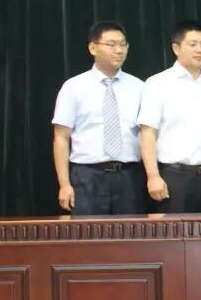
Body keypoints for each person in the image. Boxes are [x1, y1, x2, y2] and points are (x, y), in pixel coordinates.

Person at [138, 20, 201, 212]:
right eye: (192, 44)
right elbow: (147, 133)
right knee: (175, 230)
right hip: (174, 177)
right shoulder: (157, 84)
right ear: (176, 48)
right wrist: (153, 176)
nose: (199, 49)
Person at [51, 21, 146, 215]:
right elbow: (61, 137)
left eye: (123, 44)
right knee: (88, 232)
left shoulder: (139, 87)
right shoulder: (74, 87)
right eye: (111, 44)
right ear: (93, 48)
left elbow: (147, 134)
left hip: (129, 176)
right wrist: (64, 184)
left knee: (130, 232)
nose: (119, 50)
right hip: (88, 176)